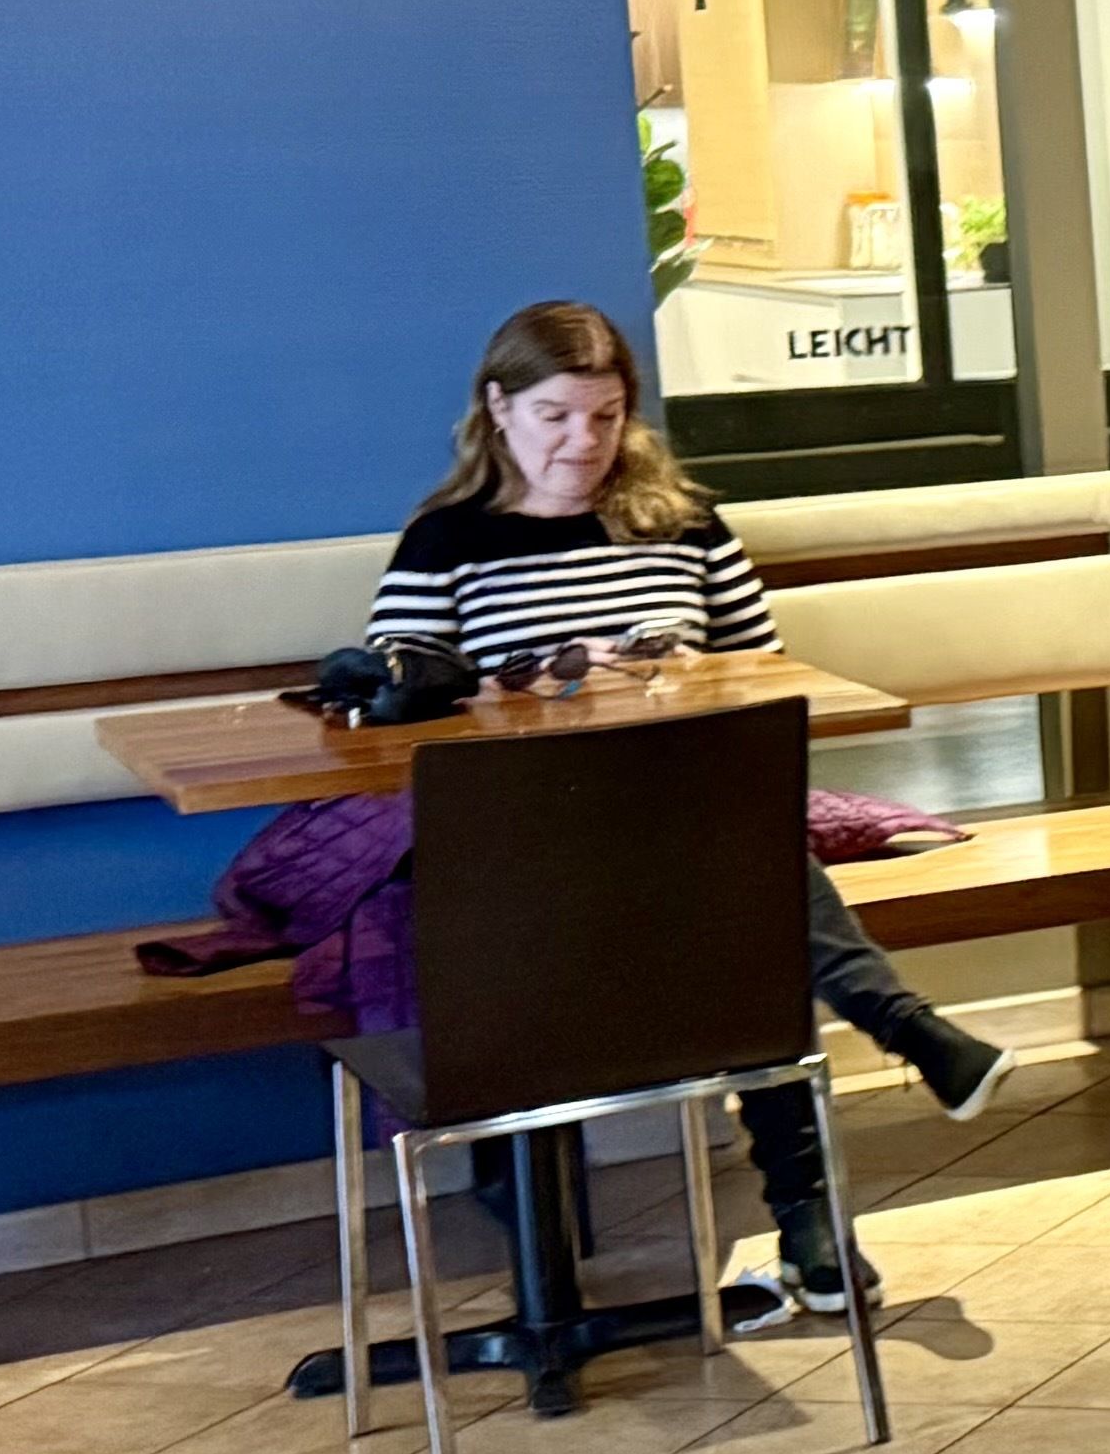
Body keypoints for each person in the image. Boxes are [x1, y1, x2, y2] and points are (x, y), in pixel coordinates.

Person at [375, 299, 1006, 1328]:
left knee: (737, 875)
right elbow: (395, 707)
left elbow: (766, 674)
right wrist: (525, 682)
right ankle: (875, 1097)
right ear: (498, 408)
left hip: (682, 818)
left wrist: (671, 671)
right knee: (745, 891)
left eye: (606, 417)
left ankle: (822, 1221)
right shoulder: (445, 543)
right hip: (531, 843)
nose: (583, 444)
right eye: (555, 418)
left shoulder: (686, 525)